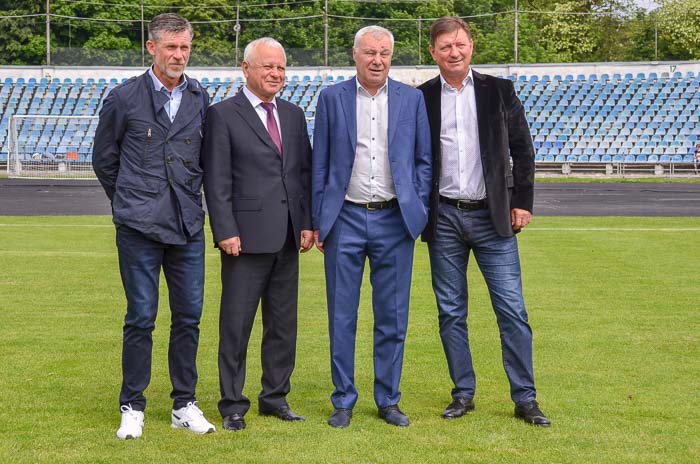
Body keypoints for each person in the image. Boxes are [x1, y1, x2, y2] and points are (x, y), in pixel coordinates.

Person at [417, 16, 550, 427]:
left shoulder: (499, 90)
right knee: (451, 312)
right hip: (444, 219)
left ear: (470, 45)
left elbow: (522, 150)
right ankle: (463, 393)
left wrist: (522, 201)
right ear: (433, 53)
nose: (453, 52)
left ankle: (525, 398)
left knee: (511, 310)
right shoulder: (420, 98)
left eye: (459, 44)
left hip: (494, 219)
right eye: (445, 47)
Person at [92, 13, 215, 440]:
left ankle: (184, 403)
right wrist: (130, 201)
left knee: (189, 317)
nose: (179, 56)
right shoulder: (123, 98)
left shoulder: (201, 97)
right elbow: (104, 161)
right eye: (171, 48)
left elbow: (205, 161)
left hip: (187, 226)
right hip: (138, 227)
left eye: (185, 48)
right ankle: (133, 405)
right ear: (152, 48)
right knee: (141, 316)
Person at [312, 25, 432, 428]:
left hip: (395, 220)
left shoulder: (411, 99)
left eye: (384, 53)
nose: (377, 60)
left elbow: (422, 161)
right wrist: (319, 221)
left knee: (393, 318)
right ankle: (343, 400)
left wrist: (417, 208)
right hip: (344, 218)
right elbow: (321, 165)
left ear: (391, 56)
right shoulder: (332, 98)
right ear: (355, 55)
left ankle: (388, 399)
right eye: (370, 53)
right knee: (341, 316)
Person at [202, 38, 313, 432]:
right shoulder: (222, 115)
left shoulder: (294, 115)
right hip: (243, 241)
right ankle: (233, 404)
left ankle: (275, 398)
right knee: (236, 325)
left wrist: (307, 222)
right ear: (245, 69)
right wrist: (225, 230)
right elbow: (216, 179)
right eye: (267, 66)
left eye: (281, 68)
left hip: (287, 239)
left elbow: (302, 175)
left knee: (283, 325)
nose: (275, 74)